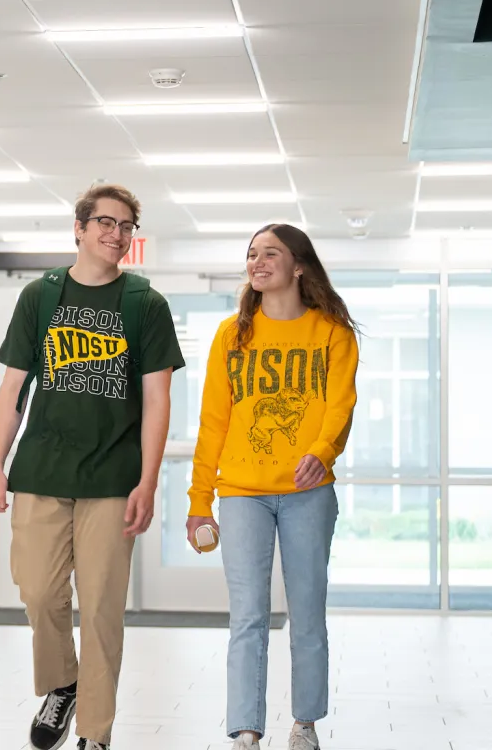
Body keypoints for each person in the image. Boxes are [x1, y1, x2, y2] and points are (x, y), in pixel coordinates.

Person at [0, 184, 185, 750]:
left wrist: (148, 480)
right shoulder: (41, 296)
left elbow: (157, 402)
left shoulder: (145, 304)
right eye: (105, 222)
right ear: (79, 227)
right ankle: (63, 684)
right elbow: (12, 391)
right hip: (40, 473)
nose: (116, 234)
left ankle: (95, 734)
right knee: (40, 594)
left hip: (111, 481)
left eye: (125, 226)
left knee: (99, 610)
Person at [187, 224, 360, 750]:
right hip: (241, 493)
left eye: (270, 253)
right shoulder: (231, 335)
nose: (257, 262)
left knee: (307, 611)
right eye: (251, 255)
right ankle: (245, 731)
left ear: (298, 265)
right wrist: (199, 502)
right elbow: (213, 421)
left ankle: (305, 724)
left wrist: (322, 452)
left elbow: (340, 405)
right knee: (248, 616)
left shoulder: (331, 331)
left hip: (309, 492)